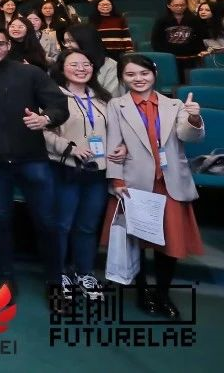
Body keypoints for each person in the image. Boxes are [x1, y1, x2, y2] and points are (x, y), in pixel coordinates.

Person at [0, 25, 69, 305]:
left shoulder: (30, 73)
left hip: (32, 159)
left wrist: (45, 119)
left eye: (0, 43)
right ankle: (6, 278)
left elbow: (59, 105)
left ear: (9, 45)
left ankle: (55, 281)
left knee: (47, 222)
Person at [105, 54, 205, 319]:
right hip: (134, 182)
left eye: (144, 73)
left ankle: (162, 293)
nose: (138, 79)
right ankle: (142, 292)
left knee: (169, 243)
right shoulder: (117, 105)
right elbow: (113, 143)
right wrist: (116, 180)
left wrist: (194, 118)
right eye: (130, 74)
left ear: (155, 74)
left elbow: (189, 136)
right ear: (122, 78)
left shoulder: (175, 104)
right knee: (136, 242)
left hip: (170, 183)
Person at [42, 49, 112, 302]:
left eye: (86, 64)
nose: (81, 68)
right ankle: (59, 273)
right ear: (62, 68)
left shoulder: (104, 98)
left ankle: (84, 273)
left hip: (98, 170)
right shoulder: (54, 97)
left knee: (88, 226)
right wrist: (69, 148)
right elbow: (43, 131)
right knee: (62, 225)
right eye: (74, 64)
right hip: (66, 168)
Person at [151, 0, 206, 82]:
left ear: (186, 5)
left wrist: (196, 51)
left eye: (182, 5)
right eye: (176, 5)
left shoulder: (194, 20)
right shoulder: (162, 20)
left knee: (189, 81)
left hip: (190, 59)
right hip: (169, 59)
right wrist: (164, 54)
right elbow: (156, 40)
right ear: (169, 6)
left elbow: (200, 37)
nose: (179, 8)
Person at [61, 24, 122, 96]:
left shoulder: (110, 65)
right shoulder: (64, 62)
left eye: (70, 41)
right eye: (65, 42)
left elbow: (112, 96)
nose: (67, 45)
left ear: (85, 41)